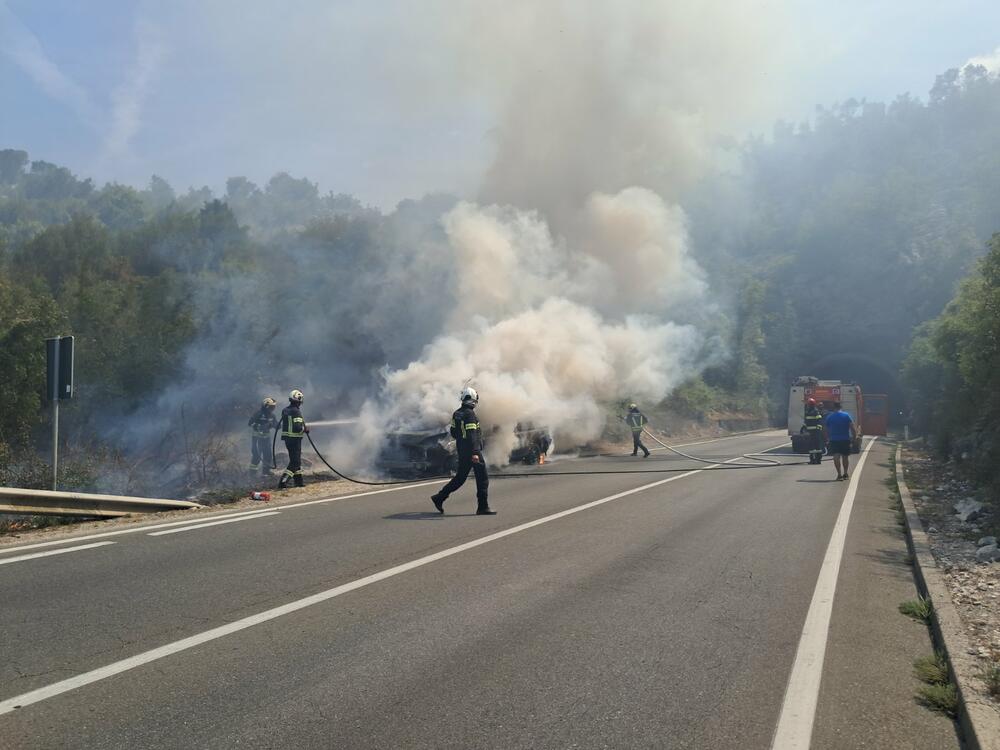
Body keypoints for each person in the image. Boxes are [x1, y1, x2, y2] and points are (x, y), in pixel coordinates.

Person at [431, 387, 495, 515]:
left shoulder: (457, 413)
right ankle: (483, 507)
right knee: (482, 478)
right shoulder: (470, 414)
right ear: (473, 399)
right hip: (472, 451)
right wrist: (475, 453)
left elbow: (454, 433)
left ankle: (439, 497)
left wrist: (462, 440)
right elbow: (472, 435)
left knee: (460, 478)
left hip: (462, 449)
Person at [278, 389, 308, 489]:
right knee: (295, 462)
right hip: (295, 440)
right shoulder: (296, 411)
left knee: (296, 460)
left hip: (288, 440)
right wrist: (305, 429)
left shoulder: (285, 410)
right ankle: (283, 482)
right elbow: (297, 427)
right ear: (299, 400)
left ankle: (298, 482)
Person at [823, 401, 858, 481]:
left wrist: (827, 439)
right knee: (845, 457)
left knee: (836, 456)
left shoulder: (830, 417)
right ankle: (845, 473)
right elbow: (852, 427)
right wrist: (854, 438)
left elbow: (825, 429)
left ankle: (839, 474)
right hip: (845, 439)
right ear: (840, 407)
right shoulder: (846, 415)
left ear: (833, 407)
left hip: (834, 439)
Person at [248, 397, 278, 476]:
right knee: (256, 457)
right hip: (257, 440)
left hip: (266, 440)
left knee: (268, 455)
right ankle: (252, 473)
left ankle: (266, 471)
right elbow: (250, 423)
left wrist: (276, 425)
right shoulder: (258, 414)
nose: (273, 408)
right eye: (271, 407)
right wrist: (259, 426)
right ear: (266, 406)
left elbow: (276, 425)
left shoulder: (272, 416)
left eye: (274, 407)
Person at [803, 397, 825, 465]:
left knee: (814, 446)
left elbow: (819, 421)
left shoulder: (815, 411)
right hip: (813, 432)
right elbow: (806, 422)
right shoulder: (811, 411)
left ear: (810, 405)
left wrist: (817, 430)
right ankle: (815, 460)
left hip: (814, 432)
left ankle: (815, 460)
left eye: (808, 404)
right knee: (814, 447)